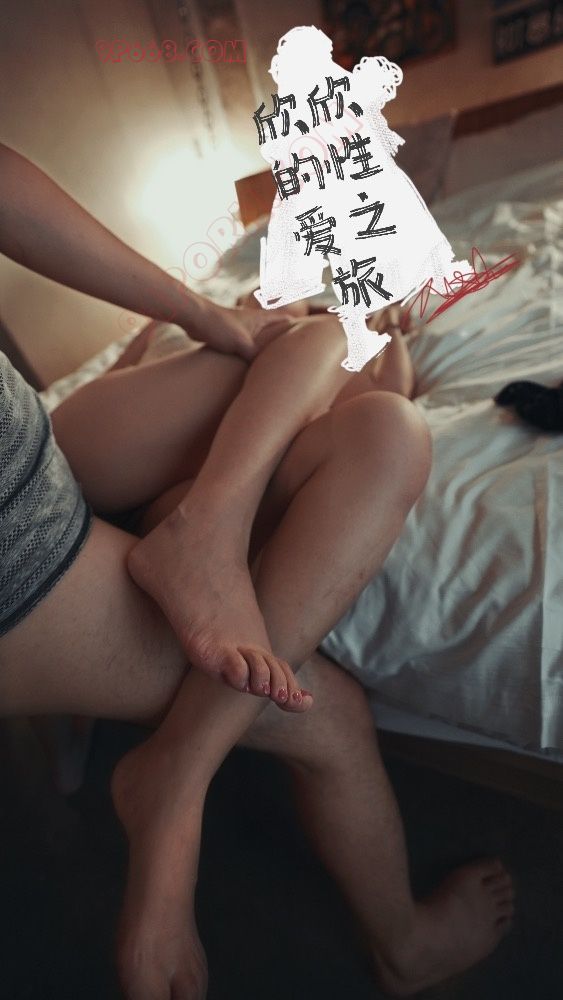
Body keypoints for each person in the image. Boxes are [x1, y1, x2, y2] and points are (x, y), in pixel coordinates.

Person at [0, 143, 514, 999]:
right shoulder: (250, 310)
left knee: (392, 432)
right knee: (319, 337)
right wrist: (224, 322)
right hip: (98, 458)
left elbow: (396, 385)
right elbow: (129, 367)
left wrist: (390, 324)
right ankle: (204, 539)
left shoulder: (376, 339)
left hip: (186, 490)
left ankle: (192, 596)